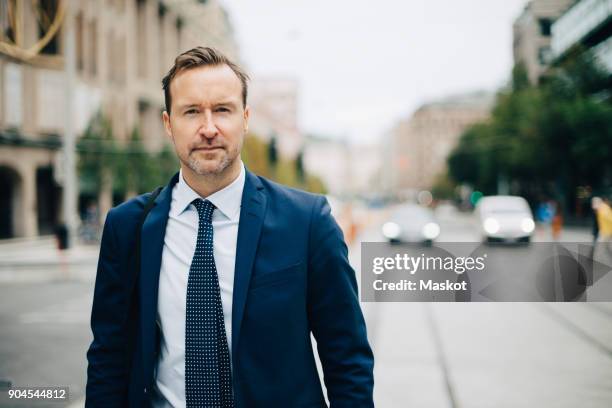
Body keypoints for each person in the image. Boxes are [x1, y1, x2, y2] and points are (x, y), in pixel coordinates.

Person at [85, 47, 374, 408]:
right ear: (168, 124)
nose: (209, 128)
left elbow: (346, 357)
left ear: (246, 118)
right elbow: (108, 357)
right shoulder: (127, 227)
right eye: (191, 112)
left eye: (223, 110)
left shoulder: (307, 221)